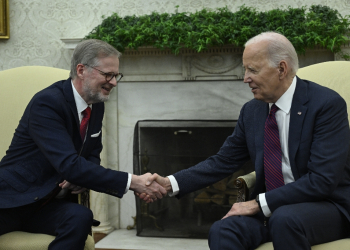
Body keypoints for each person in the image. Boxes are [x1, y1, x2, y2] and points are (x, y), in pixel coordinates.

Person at [144, 32, 350, 249]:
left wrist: (258, 204)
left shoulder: (326, 105)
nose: (245, 78)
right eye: (245, 69)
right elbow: (223, 161)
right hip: (273, 210)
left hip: (327, 206)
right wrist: (171, 183)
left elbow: (322, 180)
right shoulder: (252, 111)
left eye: (253, 70)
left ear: (281, 69)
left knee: (285, 219)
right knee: (223, 230)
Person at [0, 39, 166, 250]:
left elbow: (93, 153)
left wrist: (83, 178)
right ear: (81, 70)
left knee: (80, 217)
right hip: (10, 200)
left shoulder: (96, 105)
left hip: (45, 204)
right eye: (108, 75)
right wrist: (133, 182)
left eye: (116, 75)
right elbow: (69, 164)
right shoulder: (47, 103)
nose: (114, 82)